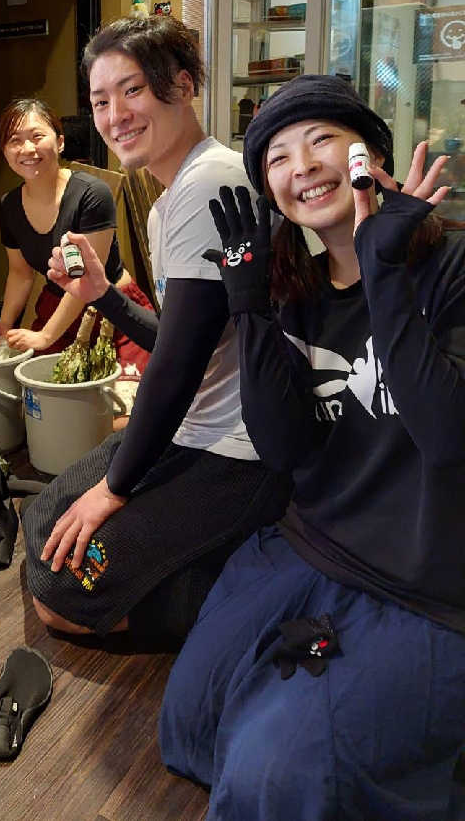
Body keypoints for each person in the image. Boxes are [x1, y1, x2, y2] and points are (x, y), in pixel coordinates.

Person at [160, 74, 465, 819]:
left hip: (429, 587)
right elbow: (285, 449)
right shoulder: (297, 289)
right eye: (278, 158)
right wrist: (250, 308)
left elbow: (450, 439)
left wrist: (382, 269)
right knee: (189, 724)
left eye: (324, 138)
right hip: (315, 545)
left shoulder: (450, 265)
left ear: (372, 153)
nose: (304, 166)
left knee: (280, 775)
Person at [22, 15, 289, 649]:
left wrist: (113, 491)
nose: (115, 115)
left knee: (59, 597)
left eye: (132, 90)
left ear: (183, 84)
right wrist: (100, 294)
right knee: (43, 517)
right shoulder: (172, 195)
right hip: (190, 432)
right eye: (100, 99)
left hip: (237, 454)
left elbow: (176, 365)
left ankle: (260, 587)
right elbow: (179, 335)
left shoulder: (210, 183)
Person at [0, 96, 152, 374]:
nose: (27, 148)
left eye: (37, 136)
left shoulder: (92, 194)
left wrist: (45, 336)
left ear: (60, 142)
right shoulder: (9, 206)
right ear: (4, 150)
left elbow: (85, 282)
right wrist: (5, 323)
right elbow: (20, 273)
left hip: (112, 310)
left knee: (120, 405)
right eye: (14, 140)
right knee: (42, 392)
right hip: (55, 309)